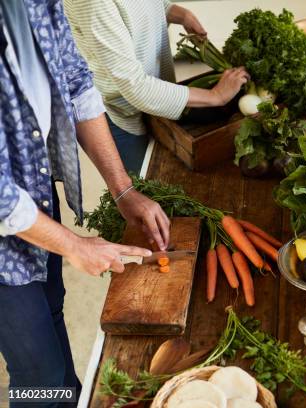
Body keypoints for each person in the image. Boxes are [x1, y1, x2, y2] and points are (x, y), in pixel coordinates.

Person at [0, 0, 170, 405]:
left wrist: (123, 189)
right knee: (37, 373)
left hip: (34, 196)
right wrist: (73, 245)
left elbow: (77, 83)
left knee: (53, 312)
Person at [64, 0, 250, 173]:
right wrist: (215, 96)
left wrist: (178, 13)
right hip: (122, 114)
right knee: (144, 193)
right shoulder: (92, 2)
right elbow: (135, 87)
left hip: (156, 99)